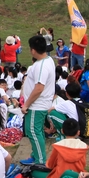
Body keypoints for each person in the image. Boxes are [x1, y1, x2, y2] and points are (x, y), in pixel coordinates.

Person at [22, 35, 56, 165]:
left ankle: (40, 160)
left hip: (37, 104)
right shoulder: (48, 60)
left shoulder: (41, 66)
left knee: (33, 132)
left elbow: (39, 88)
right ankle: (35, 154)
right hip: (41, 103)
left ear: (33, 50)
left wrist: (26, 104)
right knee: (37, 131)